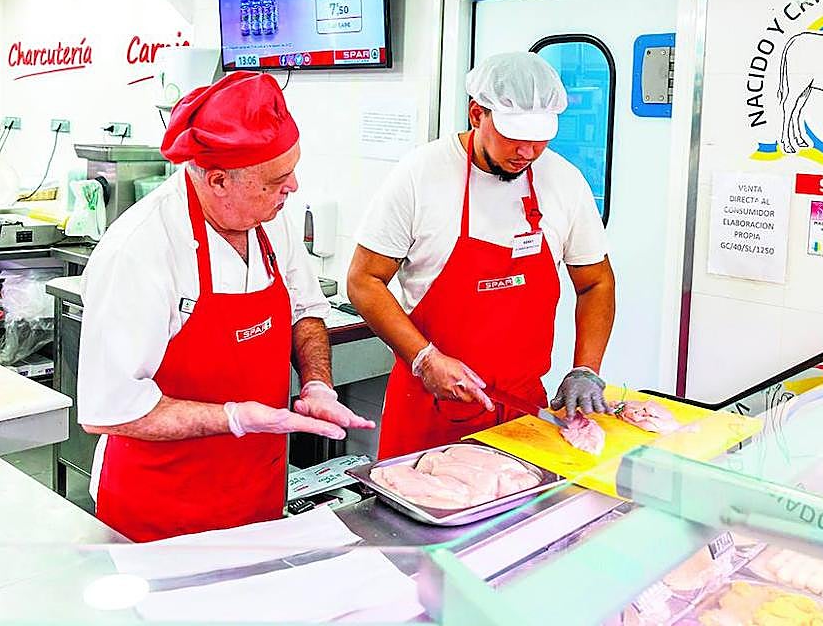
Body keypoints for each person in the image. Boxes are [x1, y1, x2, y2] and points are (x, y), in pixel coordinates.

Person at [79, 71, 374, 542]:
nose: (293, 187)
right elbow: (107, 410)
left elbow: (306, 311)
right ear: (217, 180)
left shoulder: (271, 218)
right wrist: (233, 418)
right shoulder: (141, 248)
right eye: (278, 179)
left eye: (293, 169)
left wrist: (317, 383)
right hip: (159, 509)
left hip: (256, 492)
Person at [347, 51, 616, 459]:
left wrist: (586, 368)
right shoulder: (421, 174)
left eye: (539, 138)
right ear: (477, 114)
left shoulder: (564, 181)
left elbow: (596, 281)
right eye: (514, 137)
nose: (527, 152)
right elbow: (363, 281)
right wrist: (423, 358)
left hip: (523, 409)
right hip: (430, 407)